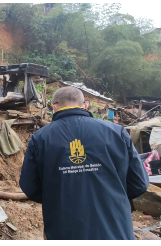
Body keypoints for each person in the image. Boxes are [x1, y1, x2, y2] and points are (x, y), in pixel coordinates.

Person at [19, 87, 149, 240]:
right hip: (115, 230)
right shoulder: (117, 133)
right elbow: (139, 183)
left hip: (64, 231)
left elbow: (30, 186)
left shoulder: (40, 139)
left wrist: (57, 196)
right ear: (85, 105)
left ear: (54, 107)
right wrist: (113, 195)